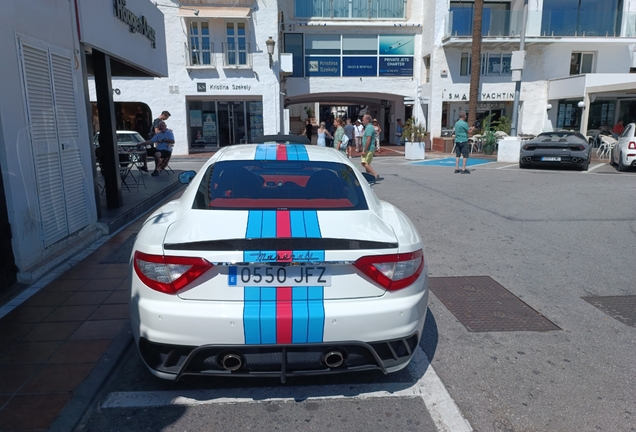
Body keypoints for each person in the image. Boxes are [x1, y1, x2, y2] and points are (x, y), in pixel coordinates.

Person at [361, 114, 380, 180]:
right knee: (367, 163)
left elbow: (368, 139)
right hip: (369, 148)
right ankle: (368, 176)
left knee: (364, 163)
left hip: (368, 149)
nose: (362, 121)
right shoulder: (369, 127)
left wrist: (364, 150)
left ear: (367, 120)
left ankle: (375, 174)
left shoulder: (369, 128)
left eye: (363, 120)